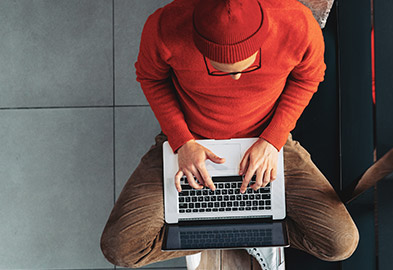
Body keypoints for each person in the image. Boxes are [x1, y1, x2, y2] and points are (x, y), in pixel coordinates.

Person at [100, 0, 359, 269]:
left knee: (340, 243)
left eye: (243, 68)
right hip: (192, 139)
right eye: (223, 68)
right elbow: (151, 78)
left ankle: (225, 232)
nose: (235, 79)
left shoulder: (298, 23)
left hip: (267, 139)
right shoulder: (165, 25)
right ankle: (223, 231)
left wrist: (273, 139)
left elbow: (308, 78)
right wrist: (182, 141)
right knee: (120, 249)